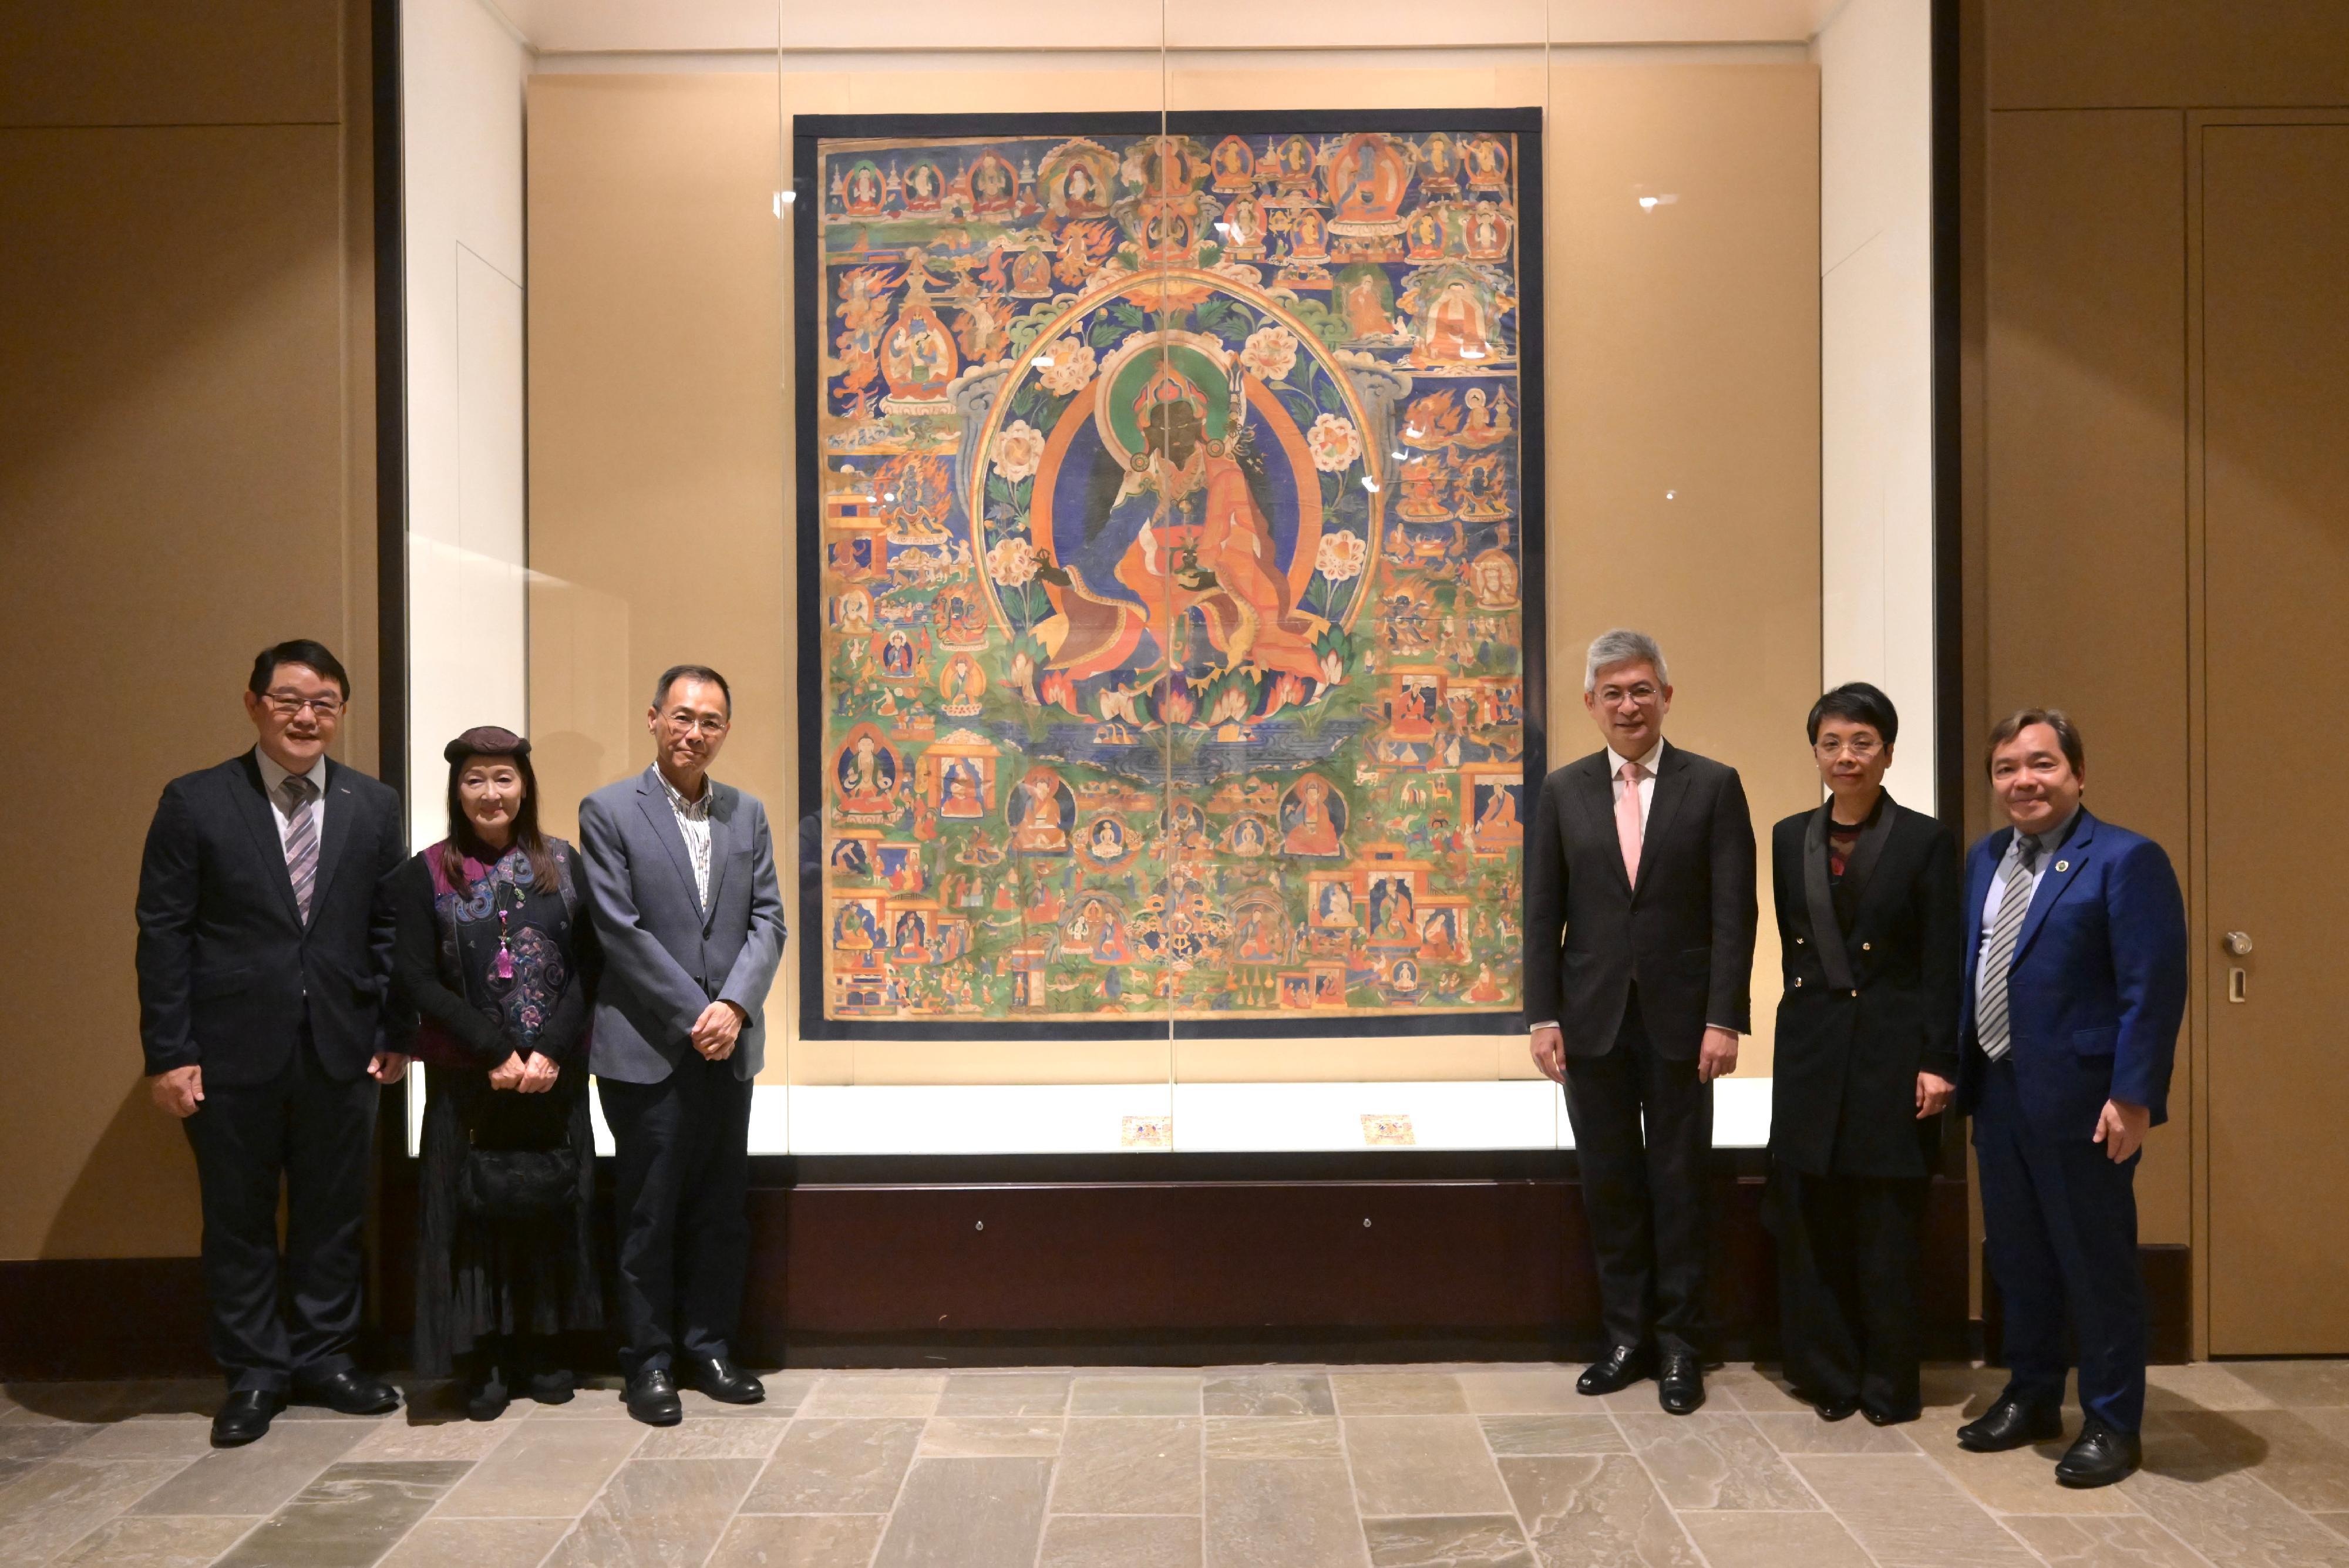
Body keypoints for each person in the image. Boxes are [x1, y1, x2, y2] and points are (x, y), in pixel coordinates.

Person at [135, 641, 409, 1446]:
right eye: (289, 698)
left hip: (343, 1044)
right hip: (227, 1048)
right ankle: (255, 1371)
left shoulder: (373, 804)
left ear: (342, 713)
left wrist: (392, 1028)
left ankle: (324, 1358)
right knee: (238, 1216)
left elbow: (389, 925)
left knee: (332, 1211)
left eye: (324, 701)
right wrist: (168, 1050)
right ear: (253, 702)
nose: (305, 715)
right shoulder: (196, 801)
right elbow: (163, 933)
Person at [1524, 629, 1756, 1414]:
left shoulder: (1713, 785)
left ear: (1666, 695)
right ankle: (1624, 1336)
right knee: (1612, 1184)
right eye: (1613, 692)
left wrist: (1725, 1017)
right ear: (1591, 704)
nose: (1629, 704)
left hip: (1685, 1026)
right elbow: (1541, 913)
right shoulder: (1563, 790)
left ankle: (1682, 1346)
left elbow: (1735, 913)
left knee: (1681, 1183)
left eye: (1642, 689)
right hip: (1590, 1024)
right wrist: (1542, 1015)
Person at [1954, 709, 2186, 1488]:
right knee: (2020, 1260)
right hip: (2001, 1089)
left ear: (2078, 773)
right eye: (2007, 768)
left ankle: (2115, 1422)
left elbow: (2150, 989)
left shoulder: (2125, 859)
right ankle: (2033, 1394)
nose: (2024, 780)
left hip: (2087, 1100)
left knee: (2096, 1263)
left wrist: (2134, 1095)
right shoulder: (1986, 859)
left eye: (2042, 763)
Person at [580, 665, 787, 1426]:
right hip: (648, 1048)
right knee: (648, 1209)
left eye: (710, 720)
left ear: (725, 731)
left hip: (728, 1049)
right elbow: (617, 929)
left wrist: (733, 1004)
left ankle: (709, 1347)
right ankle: (650, 1362)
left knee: (719, 1208)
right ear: (654, 718)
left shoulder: (748, 814)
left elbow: (770, 920)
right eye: (682, 715)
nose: (693, 731)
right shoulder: (607, 810)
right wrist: (696, 1011)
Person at [388, 728, 603, 1419]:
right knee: (471, 1220)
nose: (490, 793)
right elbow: (415, 977)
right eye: (475, 779)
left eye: (503, 778)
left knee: (548, 1210)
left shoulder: (567, 866)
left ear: (525, 787)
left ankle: (544, 1348)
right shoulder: (423, 874)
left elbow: (592, 968)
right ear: (457, 791)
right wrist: (493, 1051)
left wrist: (549, 1051)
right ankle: (480, 1357)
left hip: (553, 1076)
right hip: (467, 1081)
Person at [1765, 684, 1961, 1425]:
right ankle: (1828, 1377)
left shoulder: (1925, 841)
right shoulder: (1789, 836)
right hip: (1811, 1052)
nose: (1845, 757)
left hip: (1892, 1055)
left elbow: (1943, 963)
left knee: (1886, 1230)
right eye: (1831, 744)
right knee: (1811, 1221)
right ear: (1815, 751)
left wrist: (1939, 1061)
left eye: (1862, 743)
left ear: (1887, 753)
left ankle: (1888, 1384)